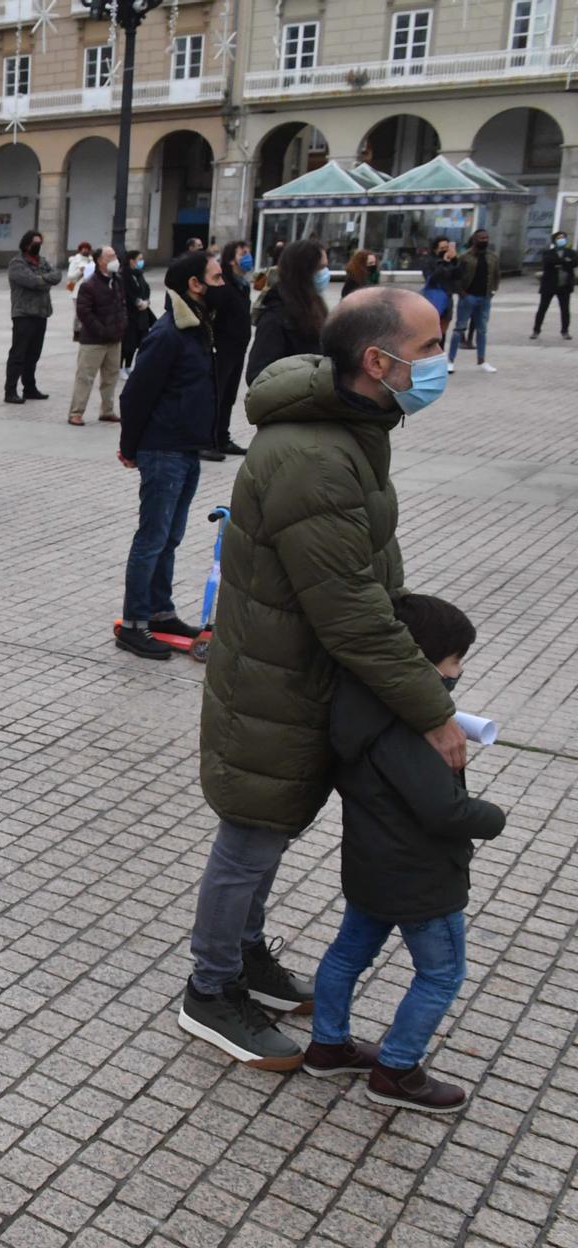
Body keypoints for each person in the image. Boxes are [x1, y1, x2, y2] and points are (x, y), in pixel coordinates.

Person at [183, 287, 466, 1071]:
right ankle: (210, 990)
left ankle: (244, 957)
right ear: (379, 361)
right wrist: (430, 711)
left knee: (266, 838)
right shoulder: (316, 456)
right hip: (278, 686)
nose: (443, 360)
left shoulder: (351, 428)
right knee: (249, 840)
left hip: (301, 676)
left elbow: (366, 581)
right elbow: (350, 614)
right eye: (431, 346)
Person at [305, 593, 503, 1112]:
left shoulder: (358, 703)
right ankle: (397, 1071)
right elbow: (443, 812)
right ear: (420, 662)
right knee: (442, 973)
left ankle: (328, 1046)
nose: (459, 671)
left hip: (372, 867)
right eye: (455, 659)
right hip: (420, 878)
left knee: (348, 954)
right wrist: (493, 817)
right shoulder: (408, 728)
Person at [114, 251, 222, 660]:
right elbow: (135, 393)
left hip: (185, 447)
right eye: (216, 278)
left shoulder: (197, 329)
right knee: (152, 538)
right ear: (195, 285)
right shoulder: (169, 334)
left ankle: (159, 612)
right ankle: (135, 623)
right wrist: (129, 446)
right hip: (163, 449)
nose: (223, 285)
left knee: (170, 538)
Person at [245, 237, 330, 387]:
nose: (325, 273)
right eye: (320, 268)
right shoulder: (276, 316)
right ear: (304, 271)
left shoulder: (315, 307)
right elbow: (257, 376)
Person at [204, 241, 254, 460]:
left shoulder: (242, 284)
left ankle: (222, 438)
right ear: (231, 258)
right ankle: (206, 441)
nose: (248, 257)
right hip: (222, 347)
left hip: (238, 348)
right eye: (243, 253)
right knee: (215, 394)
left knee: (229, 396)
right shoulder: (222, 282)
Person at [69, 246, 126, 428]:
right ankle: (76, 412)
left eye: (114, 255)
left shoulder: (117, 281)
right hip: (93, 341)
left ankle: (107, 411)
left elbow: (123, 306)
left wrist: (122, 325)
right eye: (111, 256)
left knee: (111, 377)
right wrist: (101, 330)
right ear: (100, 261)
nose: (115, 259)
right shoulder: (89, 285)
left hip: (114, 340)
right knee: (85, 377)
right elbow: (84, 312)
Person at [5, 230, 54, 402]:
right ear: (26, 244)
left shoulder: (42, 261)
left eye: (40, 242)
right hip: (23, 314)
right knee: (18, 354)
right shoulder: (17, 263)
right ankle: (10, 391)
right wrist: (43, 281)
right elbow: (30, 281)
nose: (38, 246)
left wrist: (41, 280)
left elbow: (56, 275)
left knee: (34, 354)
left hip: (41, 313)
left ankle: (29, 388)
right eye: (35, 243)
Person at [532, 230, 574, 340]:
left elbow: (574, 263)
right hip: (549, 285)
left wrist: (560, 262)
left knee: (565, 310)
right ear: (554, 240)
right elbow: (548, 262)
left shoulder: (571, 252)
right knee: (542, 308)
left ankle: (565, 331)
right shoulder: (548, 252)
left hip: (564, 286)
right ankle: (536, 330)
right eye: (559, 238)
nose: (561, 239)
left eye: (563, 237)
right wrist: (564, 261)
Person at [420, 238, 459, 347]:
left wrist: (455, 260)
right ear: (435, 250)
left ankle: (440, 352)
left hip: (448, 297)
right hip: (434, 298)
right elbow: (432, 279)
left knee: (443, 329)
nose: (445, 250)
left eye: (447, 248)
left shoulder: (451, 261)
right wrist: (443, 263)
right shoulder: (429, 262)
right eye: (442, 248)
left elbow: (458, 276)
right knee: (431, 329)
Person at [121, 250, 155, 370]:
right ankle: (121, 367)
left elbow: (146, 289)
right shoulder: (124, 274)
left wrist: (146, 301)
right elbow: (126, 293)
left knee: (141, 342)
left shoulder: (139, 274)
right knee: (128, 343)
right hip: (131, 314)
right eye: (139, 259)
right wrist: (137, 302)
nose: (141, 261)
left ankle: (130, 366)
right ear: (132, 260)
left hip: (143, 314)